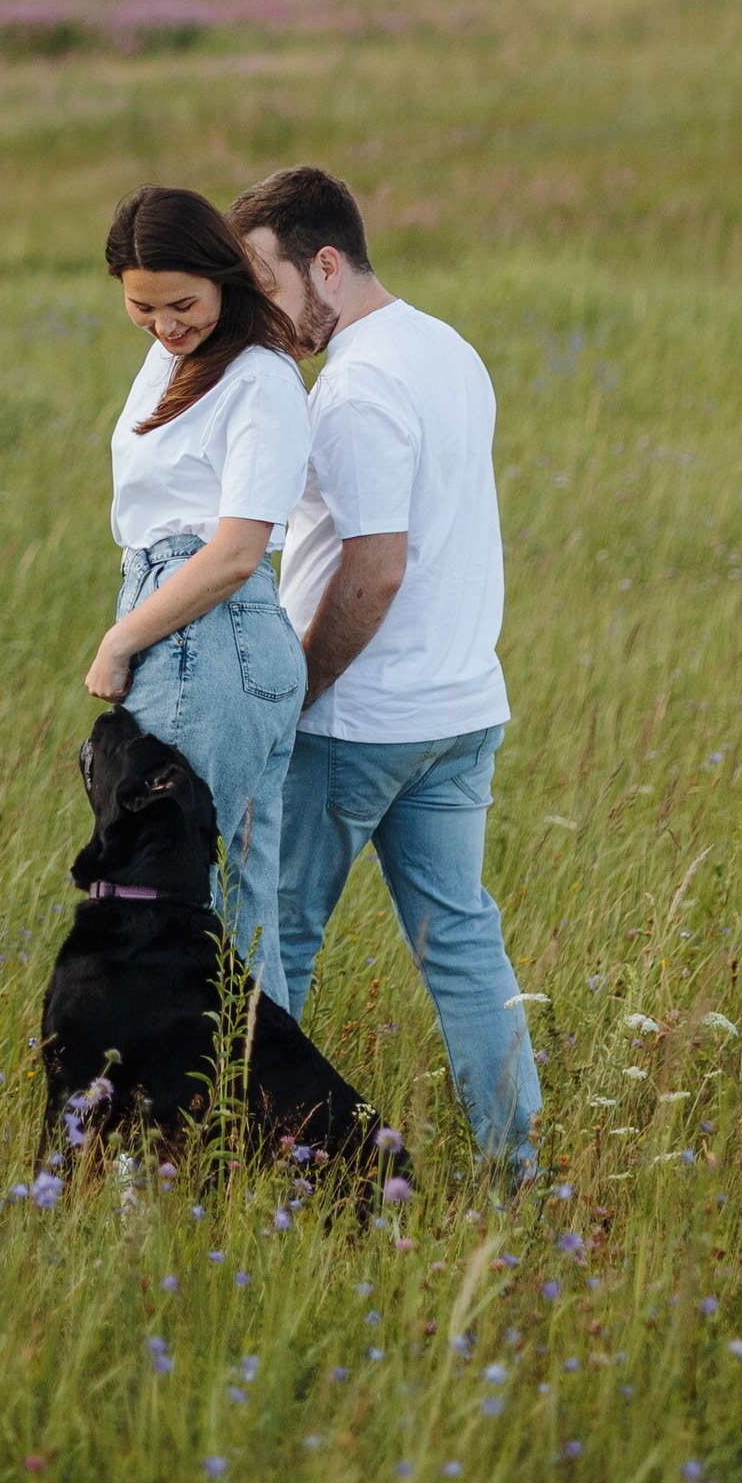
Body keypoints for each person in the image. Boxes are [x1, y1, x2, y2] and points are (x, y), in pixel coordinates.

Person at [230, 162, 541, 1179]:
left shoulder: (356, 385)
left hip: (354, 722)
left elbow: (376, 565)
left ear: (325, 264)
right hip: (458, 709)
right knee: (462, 950)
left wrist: (293, 696)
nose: (265, 316)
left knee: (273, 952)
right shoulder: (443, 345)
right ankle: (514, 1175)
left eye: (268, 288)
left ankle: (268, 1167)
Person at [84, 183, 312, 1001]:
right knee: (240, 907)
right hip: (206, 638)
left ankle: (197, 1112)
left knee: (170, 906)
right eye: (141, 308)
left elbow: (234, 553)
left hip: (202, 640)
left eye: (181, 303)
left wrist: (122, 640)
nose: (165, 324)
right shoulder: (176, 359)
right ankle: (267, 1123)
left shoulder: (259, 377)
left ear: (226, 275)